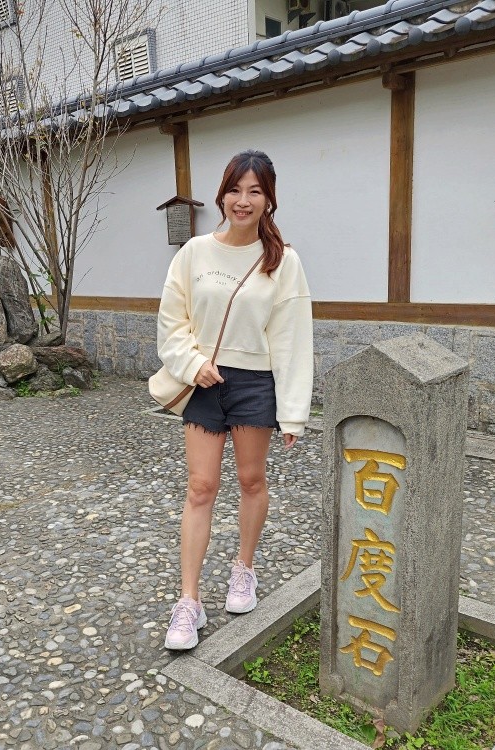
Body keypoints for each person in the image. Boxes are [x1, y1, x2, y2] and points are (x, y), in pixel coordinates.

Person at [157, 150, 314, 650]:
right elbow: (171, 320)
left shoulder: (283, 261)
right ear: (222, 194)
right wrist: (189, 363)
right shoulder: (194, 253)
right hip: (205, 380)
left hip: (256, 383)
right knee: (200, 487)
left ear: (269, 199)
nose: (243, 201)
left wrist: (293, 411)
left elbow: (292, 338)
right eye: (235, 190)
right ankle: (188, 601)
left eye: (255, 191)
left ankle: (243, 568)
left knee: (252, 479)